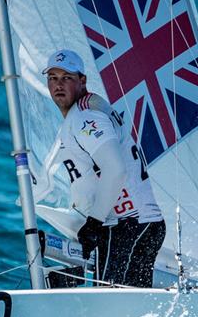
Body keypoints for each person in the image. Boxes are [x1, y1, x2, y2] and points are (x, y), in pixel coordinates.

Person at [42, 49, 165, 288]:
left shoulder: (86, 118)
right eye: (53, 78)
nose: (58, 85)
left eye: (66, 77)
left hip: (127, 225)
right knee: (132, 304)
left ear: (82, 80)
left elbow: (116, 170)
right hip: (141, 224)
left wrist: (94, 223)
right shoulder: (90, 108)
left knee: (110, 300)